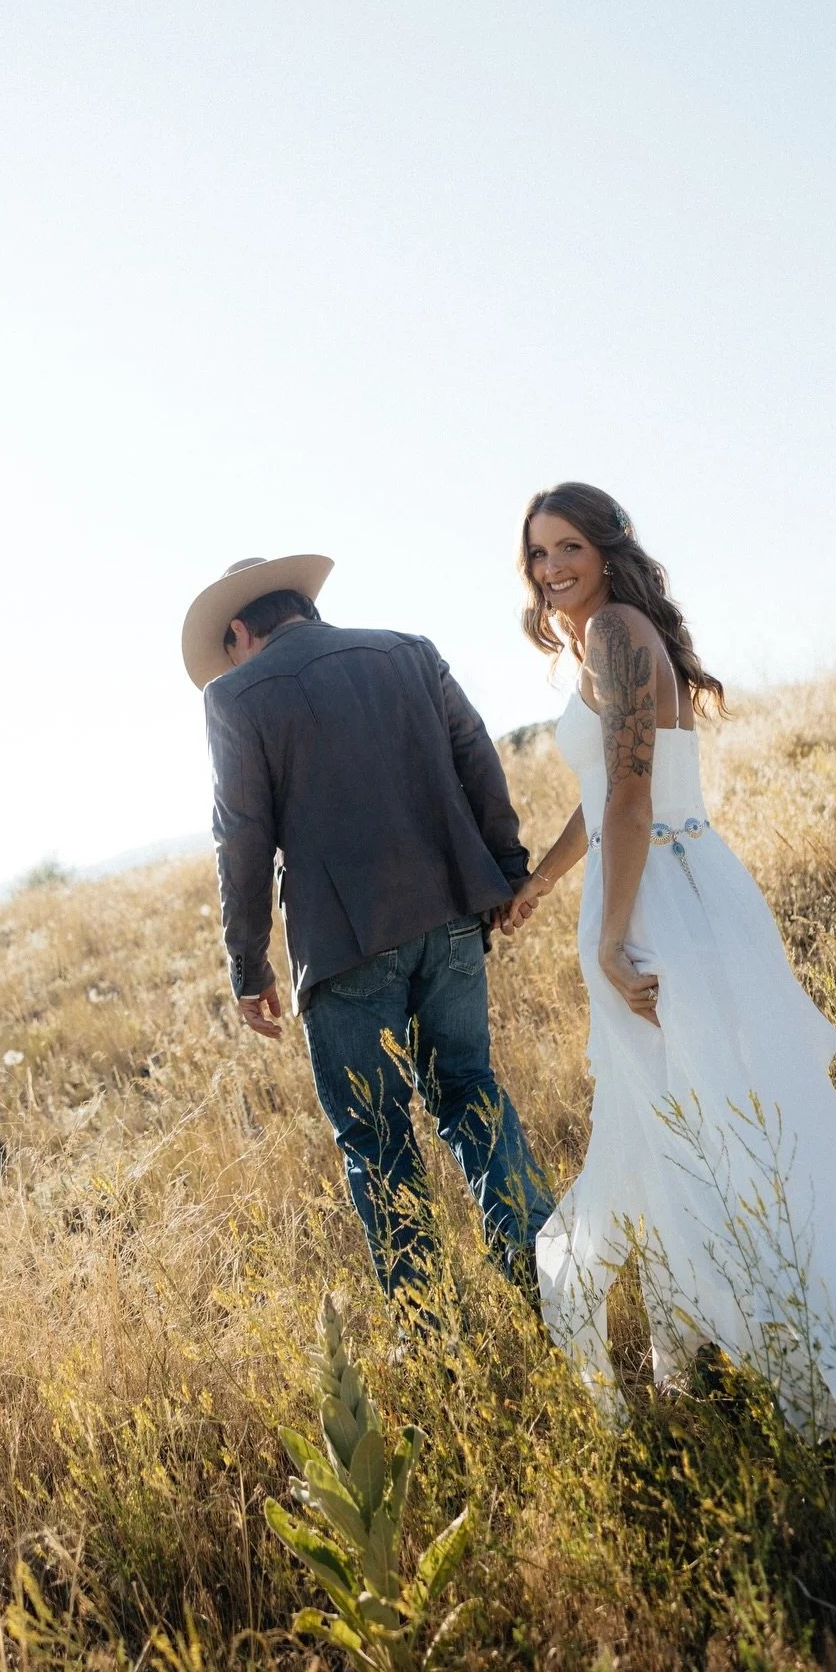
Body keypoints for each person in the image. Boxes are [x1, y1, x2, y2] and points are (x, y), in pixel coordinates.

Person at [505, 484, 836, 1497]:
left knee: (740, 1140)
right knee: (693, 1138)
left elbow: (632, 795)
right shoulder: (611, 636)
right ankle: (754, 1378)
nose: (552, 568)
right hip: (667, 884)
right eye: (538, 553)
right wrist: (543, 883)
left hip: (661, 904)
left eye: (568, 546)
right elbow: (603, 796)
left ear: (608, 549)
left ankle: (832, 1385)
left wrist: (611, 939)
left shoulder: (616, 633)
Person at [182, 552, 554, 1308]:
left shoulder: (233, 697)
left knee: (376, 1141)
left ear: (241, 631)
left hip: (342, 945)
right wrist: (508, 868)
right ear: (303, 609)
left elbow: (241, 839)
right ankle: (552, 1286)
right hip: (451, 917)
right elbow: (477, 756)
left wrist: (248, 966)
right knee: (471, 1094)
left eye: (227, 649)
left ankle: (433, 1333)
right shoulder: (408, 651)